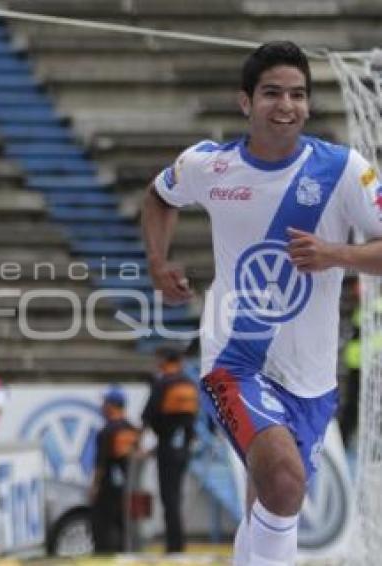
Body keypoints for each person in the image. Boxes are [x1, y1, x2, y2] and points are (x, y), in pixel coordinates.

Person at [141, 40, 382, 566]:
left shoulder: (343, 170)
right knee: (282, 480)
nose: (286, 105)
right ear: (245, 102)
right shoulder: (210, 165)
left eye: (297, 94)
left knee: (272, 500)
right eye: (272, 92)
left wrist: (335, 253)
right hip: (236, 360)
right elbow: (160, 196)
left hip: (313, 377)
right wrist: (158, 263)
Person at [141, 346, 199, 553]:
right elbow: (189, 421)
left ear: (165, 360)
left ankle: (174, 545)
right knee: (177, 496)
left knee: (169, 497)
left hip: (167, 448)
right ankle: (178, 542)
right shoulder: (189, 385)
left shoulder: (162, 383)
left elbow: (148, 417)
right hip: (183, 447)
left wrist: (142, 444)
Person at [90, 387, 140, 554]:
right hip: (129, 488)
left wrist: (94, 487)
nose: (102, 407)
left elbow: (101, 464)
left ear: (112, 405)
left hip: (108, 489)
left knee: (103, 528)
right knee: (124, 526)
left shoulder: (106, 431)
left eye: (105, 403)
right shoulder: (132, 429)